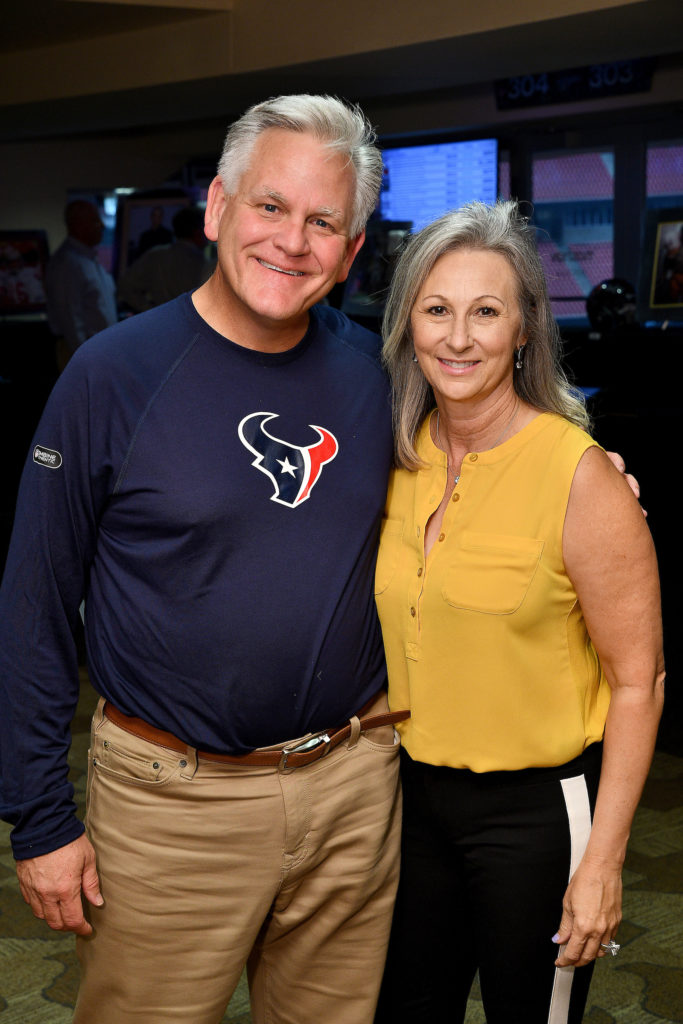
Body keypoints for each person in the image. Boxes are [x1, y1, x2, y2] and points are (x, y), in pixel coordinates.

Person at [0, 95, 406, 1024]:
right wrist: (40, 815)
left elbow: (478, 478)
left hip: (351, 793)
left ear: (349, 252)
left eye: (322, 222)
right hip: (169, 810)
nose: (292, 242)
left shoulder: (379, 374)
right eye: (270, 207)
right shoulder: (109, 374)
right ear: (219, 208)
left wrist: (591, 474)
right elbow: (34, 602)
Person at [373, 201, 664, 1024]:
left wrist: (603, 863)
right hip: (408, 803)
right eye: (436, 310)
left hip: (536, 819)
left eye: (485, 312)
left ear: (525, 329)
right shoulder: (391, 457)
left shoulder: (578, 474)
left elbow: (637, 683)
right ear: (407, 325)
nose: (457, 338)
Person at [45, 198, 118, 369]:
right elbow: (70, 318)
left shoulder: (89, 260)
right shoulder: (67, 263)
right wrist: (86, 362)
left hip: (99, 352)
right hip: (83, 357)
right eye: (95, 221)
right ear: (78, 225)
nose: (101, 226)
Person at [118, 204, 213, 312]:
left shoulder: (156, 255)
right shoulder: (203, 263)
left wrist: (150, 311)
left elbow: (125, 286)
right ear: (198, 232)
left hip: (161, 323)